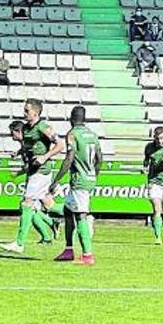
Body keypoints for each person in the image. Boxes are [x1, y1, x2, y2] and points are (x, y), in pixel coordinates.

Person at [0, 99, 66, 253]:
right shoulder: (28, 129)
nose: (24, 113)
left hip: (41, 171)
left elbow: (60, 144)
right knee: (49, 205)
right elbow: (29, 146)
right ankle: (79, 213)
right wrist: (18, 153)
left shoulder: (43, 126)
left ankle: (20, 243)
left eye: (27, 110)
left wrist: (45, 156)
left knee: (27, 204)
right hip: (33, 171)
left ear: (36, 112)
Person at [49, 106, 102, 265]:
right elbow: (100, 158)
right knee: (67, 210)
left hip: (79, 180)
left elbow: (69, 158)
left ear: (71, 117)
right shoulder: (92, 135)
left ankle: (87, 255)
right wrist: (94, 175)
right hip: (88, 178)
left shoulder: (72, 134)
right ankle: (68, 250)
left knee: (80, 215)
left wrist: (56, 180)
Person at [144, 127, 163, 244]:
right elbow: (146, 160)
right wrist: (145, 166)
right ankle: (158, 237)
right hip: (154, 182)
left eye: (161, 138)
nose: (159, 141)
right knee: (157, 209)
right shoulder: (149, 147)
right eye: (157, 139)